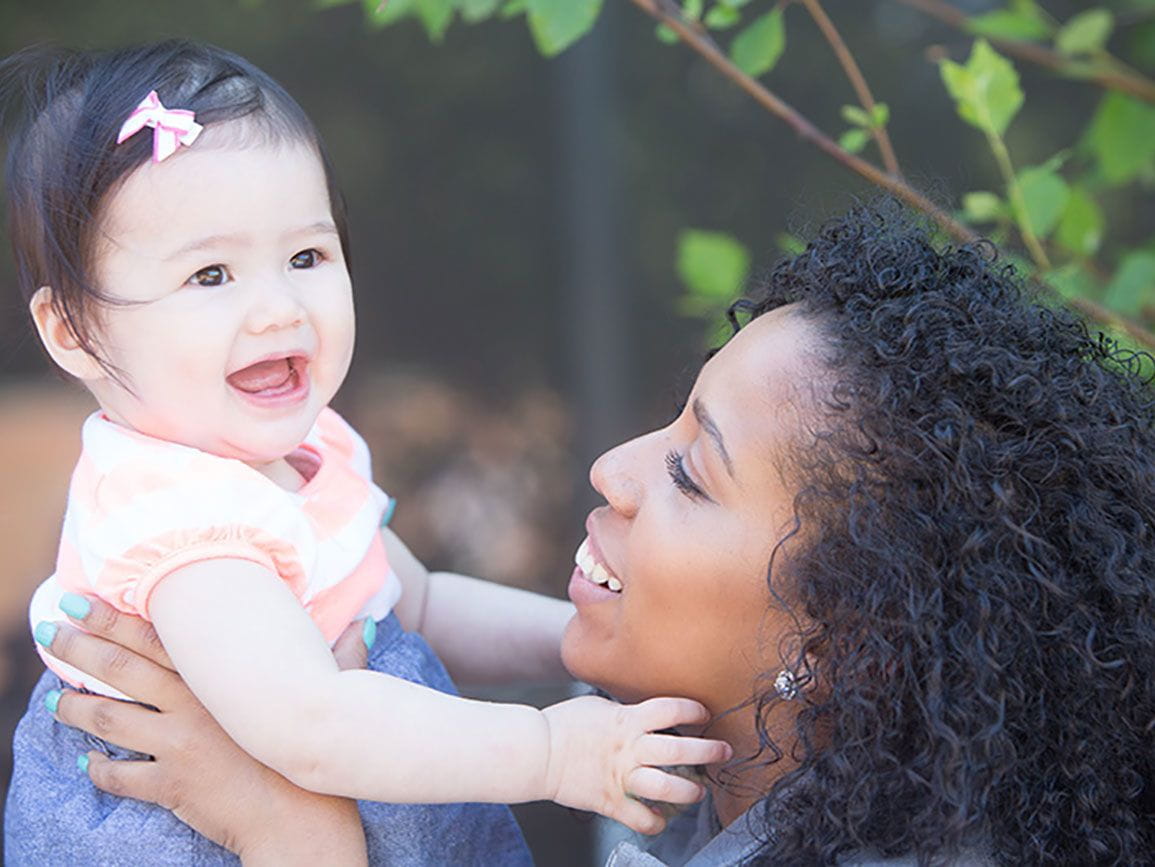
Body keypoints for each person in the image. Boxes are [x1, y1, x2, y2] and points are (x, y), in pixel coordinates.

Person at [30, 202, 1155, 864]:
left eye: (690, 474)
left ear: (852, 635)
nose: (611, 470)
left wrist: (293, 836)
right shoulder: (690, 792)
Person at [2, 40, 731, 866]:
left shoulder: (297, 451)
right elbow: (314, 726)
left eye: (305, 256)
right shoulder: (179, 523)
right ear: (72, 332)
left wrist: (585, 637)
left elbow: (412, 605)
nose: (279, 308)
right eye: (210, 276)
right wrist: (551, 750)